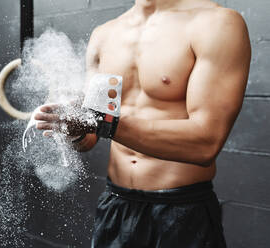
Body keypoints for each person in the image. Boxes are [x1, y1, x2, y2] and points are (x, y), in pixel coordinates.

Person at [35, 0, 251, 247]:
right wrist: (73, 129)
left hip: (181, 210)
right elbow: (89, 139)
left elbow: (205, 142)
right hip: (115, 205)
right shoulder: (104, 35)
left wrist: (101, 123)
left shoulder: (215, 23)